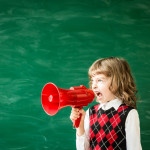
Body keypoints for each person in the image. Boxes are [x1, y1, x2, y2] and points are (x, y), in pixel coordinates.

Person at [70, 57, 142, 150]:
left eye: (100, 80)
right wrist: (80, 127)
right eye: (92, 80)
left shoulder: (129, 114)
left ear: (117, 82)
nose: (94, 86)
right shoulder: (90, 112)